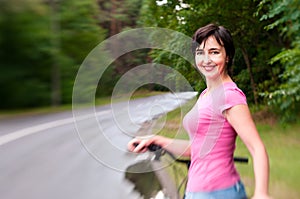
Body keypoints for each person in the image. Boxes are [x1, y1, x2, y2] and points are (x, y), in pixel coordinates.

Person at [127, 24, 271, 199]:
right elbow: (198, 148)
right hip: (195, 191)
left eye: (214, 52)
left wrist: (261, 193)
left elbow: (257, 148)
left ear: (228, 57)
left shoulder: (230, 96)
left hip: (220, 193)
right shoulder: (206, 95)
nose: (206, 59)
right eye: (200, 52)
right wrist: (157, 139)